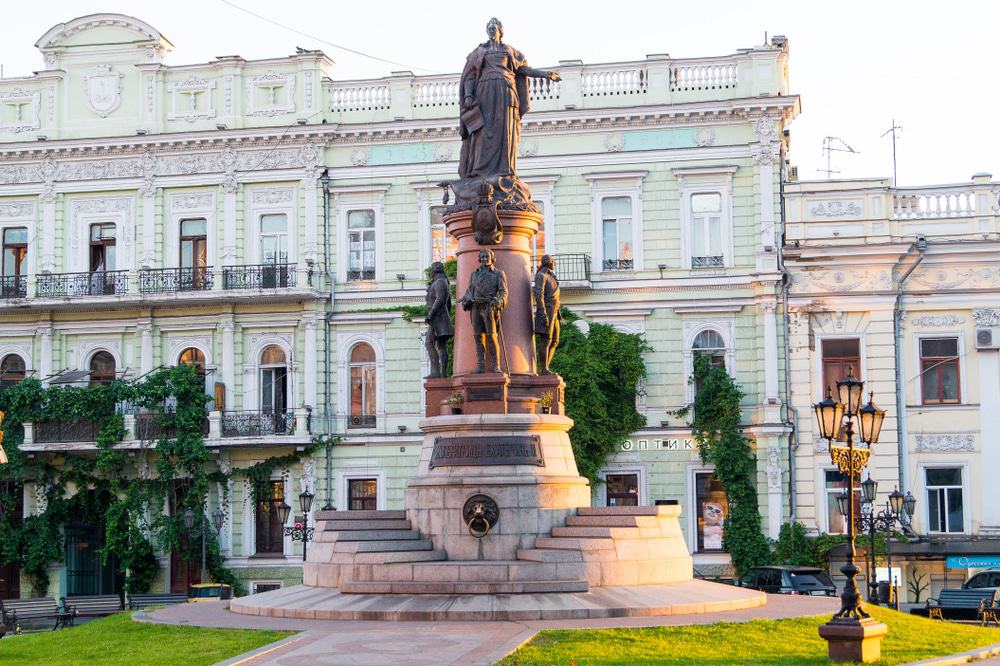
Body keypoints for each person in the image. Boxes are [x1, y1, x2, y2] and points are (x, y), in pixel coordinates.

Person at [454, 18, 560, 210]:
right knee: (483, 132)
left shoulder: (510, 51)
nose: (491, 31)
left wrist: (545, 74)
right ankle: (480, 172)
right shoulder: (479, 52)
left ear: (500, 31)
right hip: (485, 93)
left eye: (494, 28)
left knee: (506, 132)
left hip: (506, 93)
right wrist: (468, 95)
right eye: (489, 28)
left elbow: (524, 70)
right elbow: (470, 75)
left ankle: (505, 171)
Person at [460, 249, 508, 373]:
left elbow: (504, 292)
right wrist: (467, 299)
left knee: (492, 336)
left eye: (487, 256)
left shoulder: (498, 273)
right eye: (482, 257)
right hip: (475, 307)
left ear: (492, 258)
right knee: (478, 337)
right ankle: (480, 365)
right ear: (479, 258)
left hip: (489, 307)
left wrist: (499, 301)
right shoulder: (474, 274)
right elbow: (469, 291)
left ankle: (496, 365)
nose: (485, 259)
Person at [533, 254, 561, 374]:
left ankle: (546, 368)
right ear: (549, 262)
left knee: (555, 340)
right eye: (553, 261)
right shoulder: (542, 275)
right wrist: (542, 313)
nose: (554, 263)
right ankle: (544, 369)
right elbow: (539, 295)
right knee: (546, 340)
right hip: (547, 311)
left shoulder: (551, 276)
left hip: (555, 312)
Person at [424, 262, 453, 378]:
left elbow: (440, 299)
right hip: (440, 317)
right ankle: (441, 373)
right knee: (441, 345)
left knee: (429, 343)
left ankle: (436, 372)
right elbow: (448, 303)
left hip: (438, 317)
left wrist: (430, 314)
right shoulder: (441, 281)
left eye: (432, 269)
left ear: (434, 271)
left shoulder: (440, 282)